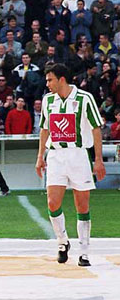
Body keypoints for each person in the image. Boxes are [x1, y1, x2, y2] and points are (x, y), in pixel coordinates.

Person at [35, 63, 105, 267]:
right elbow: (44, 130)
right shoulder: (48, 101)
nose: (47, 84)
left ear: (62, 79)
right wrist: (40, 156)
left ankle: (84, 251)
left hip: (78, 154)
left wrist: (98, 159)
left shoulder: (84, 98)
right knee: (52, 203)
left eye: (50, 80)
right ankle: (62, 241)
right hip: (56, 155)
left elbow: (96, 129)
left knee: (82, 204)